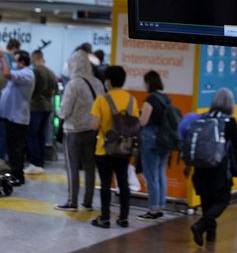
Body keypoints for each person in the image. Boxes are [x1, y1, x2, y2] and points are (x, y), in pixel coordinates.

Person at [187, 88, 237, 246]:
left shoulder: (203, 117)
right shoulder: (229, 122)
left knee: (207, 200)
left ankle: (210, 236)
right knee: (223, 200)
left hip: (200, 167)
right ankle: (200, 226)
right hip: (219, 168)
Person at [89, 65, 138, 228]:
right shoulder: (132, 100)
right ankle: (123, 218)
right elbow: (134, 125)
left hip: (104, 148)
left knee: (105, 183)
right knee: (123, 181)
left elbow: (94, 125)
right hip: (124, 148)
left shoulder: (102, 99)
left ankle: (105, 217)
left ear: (108, 81)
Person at [55, 50, 104, 211]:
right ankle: (88, 201)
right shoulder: (98, 83)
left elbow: (65, 110)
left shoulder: (73, 84)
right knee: (90, 167)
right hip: (92, 130)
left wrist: (59, 113)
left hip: (74, 131)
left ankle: (72, 201)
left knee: (72, 167)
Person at [0, 48, 35, 185]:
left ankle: (18, 176)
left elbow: (6, 73)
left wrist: (3, 57)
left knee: (16, 150)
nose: (13, 63)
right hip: (12, 118)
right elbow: (5, 71)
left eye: (16, 61)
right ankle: (14, 173)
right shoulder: (20, 73)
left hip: (19, 119)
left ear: (22, 62)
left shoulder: (27, 74)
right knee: (12, 149)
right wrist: (4, 58)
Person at [137, 70, 169, 221]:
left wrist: (138, 115)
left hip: (151, 139)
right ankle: (161, 206)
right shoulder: (166, 98)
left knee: (151, 175)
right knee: (161, 173)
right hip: (165, 140)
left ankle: (152, 209)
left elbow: (143, 121)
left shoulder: (150, 99)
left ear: (148, 82)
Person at [25, 50, 57, 175]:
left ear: (35, 58)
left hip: (35, 107)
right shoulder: (51, 72)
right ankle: (41, 162)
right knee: (41, 135)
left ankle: (35, 162)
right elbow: (54, 91)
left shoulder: (35, 72)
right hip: (47, 107)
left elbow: (31, 89)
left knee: (32, 135)